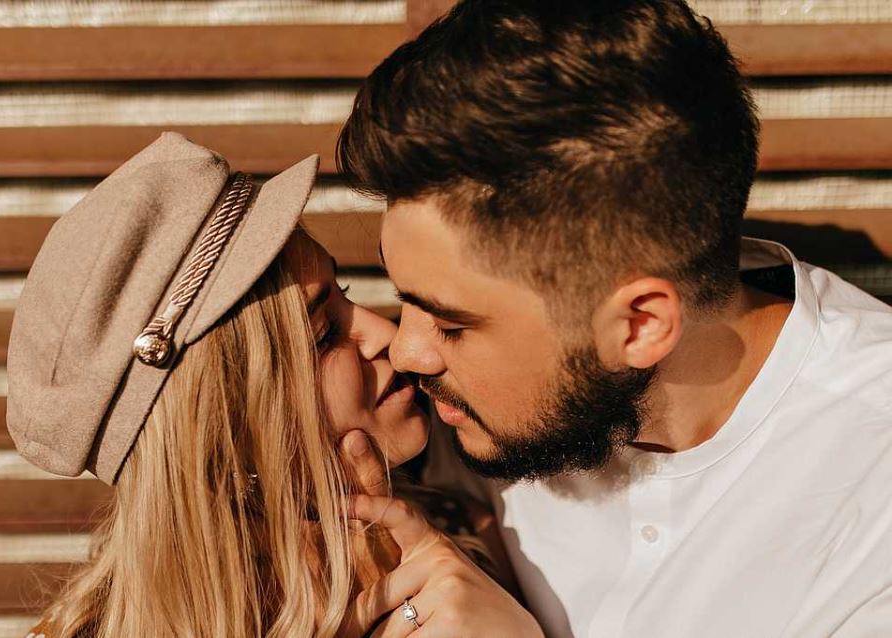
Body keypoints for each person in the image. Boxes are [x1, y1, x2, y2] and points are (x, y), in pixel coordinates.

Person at [336, 0, 892, 636]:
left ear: (640, 326)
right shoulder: (475, 406)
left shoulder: (870, 494)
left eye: (452, 326)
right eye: (402, 295)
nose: (404, 351)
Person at [5, 132, 518, 637]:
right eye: (324, 335)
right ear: (225, 426)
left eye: (344, 292)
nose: (388, 335)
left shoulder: (459, 537)